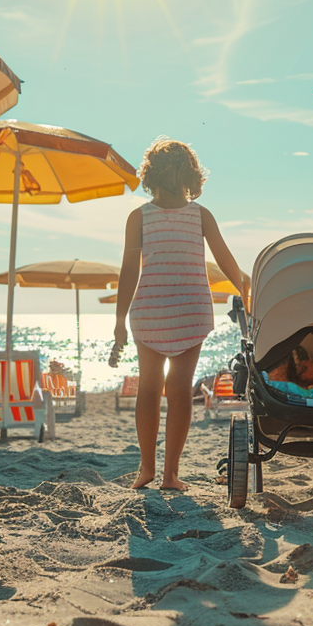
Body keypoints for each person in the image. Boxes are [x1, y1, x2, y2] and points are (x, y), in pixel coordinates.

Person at [114, 137, 247, 490]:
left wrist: (118, 321)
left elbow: (129, 271)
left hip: (150, 309)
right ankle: (170, 474)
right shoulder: (200, 216)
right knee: (180, 389)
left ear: (150, 176)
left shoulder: (138, 217)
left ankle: (147, 469)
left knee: (149, 388)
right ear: (191, 177)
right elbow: (227, 261)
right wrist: (246, 288)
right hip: (190, 308)